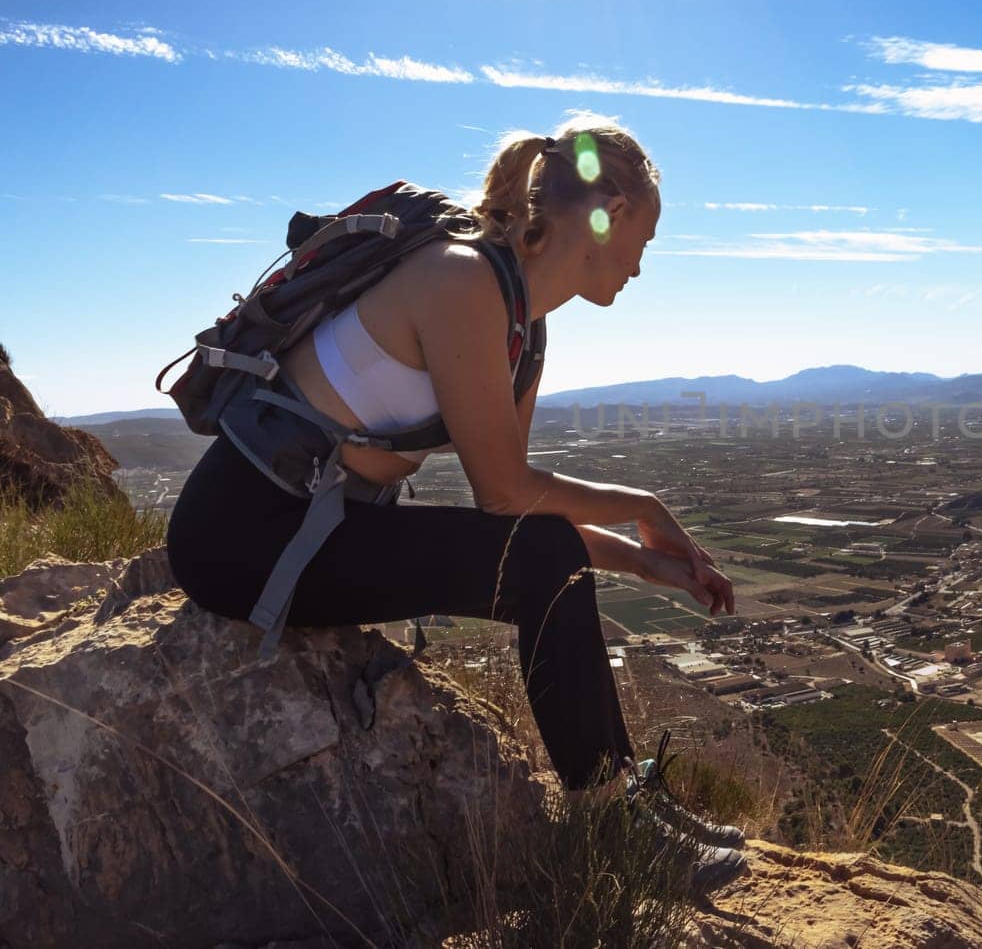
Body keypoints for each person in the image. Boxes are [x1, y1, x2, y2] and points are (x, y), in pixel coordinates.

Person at [164, 114, 749, 893]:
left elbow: (518, 514)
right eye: (644, 237)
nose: (642, 264)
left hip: (321, 525)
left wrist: (650, 565)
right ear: (605, 213)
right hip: (242, 534)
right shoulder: (462, 280)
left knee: (548, 554)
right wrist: (639, 503)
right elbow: (506, 492)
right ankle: (614, 829)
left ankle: (625, 800)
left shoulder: (525, 328)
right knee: (548, 557)